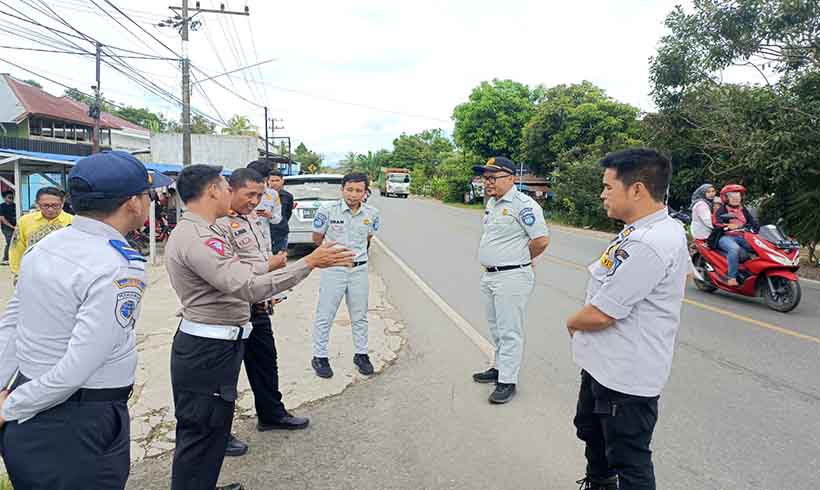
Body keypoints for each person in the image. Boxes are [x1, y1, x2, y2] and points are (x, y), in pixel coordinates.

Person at [165, 164, 353, 490]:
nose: (235, 194)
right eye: (227, 187)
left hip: (220, 342)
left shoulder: (208, 230)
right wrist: (308, 262)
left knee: (210, 428)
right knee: (201, 431)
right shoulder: (198, 236)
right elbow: (248, 286)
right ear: (212, 191)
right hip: (207, 349)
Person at [0, 151, 171, 490]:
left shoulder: (46, 247)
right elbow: (80, 365)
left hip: (31, 409)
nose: (150, 203)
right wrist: (10, 408)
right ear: (132, 204)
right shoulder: (119, 265)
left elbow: (12, 324)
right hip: (78, 422)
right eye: (147, 195)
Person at [567, 149, 689, 490]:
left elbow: (603, 314)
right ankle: (598, 483)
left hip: (626, 376)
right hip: (603, 364)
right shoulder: (642, 231)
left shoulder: (652, 242)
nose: (602, 193)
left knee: (630, 460)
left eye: (608, 186)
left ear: (636, 189)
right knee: (592, 432)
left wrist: (572, 323)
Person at [214, 169, 309, 459]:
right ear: (231, 190)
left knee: (266, 364)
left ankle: (271, 414)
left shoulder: (254, 217)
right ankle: (219, 434)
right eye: (250, 195)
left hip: (258, 305)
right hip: (232, 310)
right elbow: (232, 271)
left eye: (260, 194)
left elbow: (259, 258)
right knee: (224, 378)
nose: (256, 201)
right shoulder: (218, 224)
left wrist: (271, 292)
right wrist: (271, 267)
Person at [470, 157, 550, 404]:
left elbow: (541, 240)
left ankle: (508, 381)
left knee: (509, 331)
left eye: (493, 177)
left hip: (512, 276)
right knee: (496, 328)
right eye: (485, 178)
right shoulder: (493, 204)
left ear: (511, 178)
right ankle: (498, 368)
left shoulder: (524, 205)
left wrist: (522, 260)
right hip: (491, 275)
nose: (487, 183)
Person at [310, 172, 381, 379]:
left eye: (359, 190)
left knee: (360, 315)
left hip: (359, 269)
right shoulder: (327, 210)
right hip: (335, 268)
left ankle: (361, 354)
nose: (353, 194)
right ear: (342, 190)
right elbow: (317, 237)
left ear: (365, 193)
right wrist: (332, 256)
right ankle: (320, 356)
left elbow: (368, 237)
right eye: (349, 189)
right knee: (326, 314)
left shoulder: (372, 213)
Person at [8, 187, 73, 277]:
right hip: (32, 274)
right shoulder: (25, 221)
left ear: (62, 203)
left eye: (55, 205)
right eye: (45, 205)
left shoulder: (73, 222)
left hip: (63, 275)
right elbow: (17, 249)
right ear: (37, 204)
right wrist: (17, 273)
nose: (50, 209)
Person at [713, 184, 758, 287]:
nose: (736, 198)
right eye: (732, 196)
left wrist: (756, 227)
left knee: (758, 248)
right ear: (725, 198)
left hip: (743, 236)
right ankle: (731, 277)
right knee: (734, 249)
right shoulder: (721, 210)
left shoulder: (743, 209)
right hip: (725, 237)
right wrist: (728, 225)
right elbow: (717, 223)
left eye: (738, 195)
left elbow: (753, 223)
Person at [247, 160, 282, 252]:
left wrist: (270, 215)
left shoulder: (273, 194)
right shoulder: (238, 193)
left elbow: (277, 219)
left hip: (264, 243)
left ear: (266, 178)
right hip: (244, 241)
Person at [268, 170, 293, 254]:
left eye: (277, 180)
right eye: (272, 180)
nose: (274, 183)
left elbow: (287, 213)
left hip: (281, 232)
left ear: (282, 181)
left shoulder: (288, 196)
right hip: (267, 231)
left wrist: (281, 222)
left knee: (280, 258)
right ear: (268, 181)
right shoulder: (263, 196)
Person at [0, 191, 16, 265]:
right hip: (6, 228)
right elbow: (2, 219)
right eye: (9, 197)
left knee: (16, 242)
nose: (11, 199)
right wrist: (12, 226)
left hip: (15, 227)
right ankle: (5, 258)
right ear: (4, 198)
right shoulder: (2, 206)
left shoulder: (15, 205)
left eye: (12, 197)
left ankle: (13, 257)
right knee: (10, 242)